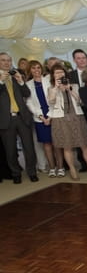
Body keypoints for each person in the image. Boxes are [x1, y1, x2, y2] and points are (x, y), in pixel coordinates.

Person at [47, 64, 87, 180]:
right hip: (61, 119)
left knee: (84, 144)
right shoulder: (51, 88)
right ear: (53, 76)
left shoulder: (74, 86)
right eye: (56, 73)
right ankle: (72, 169)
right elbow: (51, 101)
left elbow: (80, 101)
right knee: (67, 146)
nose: (60, 74)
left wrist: (69, 89)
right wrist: (56, 88)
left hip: (77, 117)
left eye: (61, 72)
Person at [0, 52, 38, 184]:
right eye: (3, 60)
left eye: (9, 60)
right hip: (5, 120)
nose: (6, 63)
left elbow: (27, 93)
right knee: (10, 150)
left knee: (29, 147)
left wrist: (21, 82)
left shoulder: (16, 75)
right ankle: (16, 174)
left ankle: (32, 172)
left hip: (22, 117)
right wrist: (0, 81)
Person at [26, 60, 65, 177]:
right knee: (47, 145)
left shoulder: (48, 80)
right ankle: (52, 168)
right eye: (33, 68)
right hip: (39, 118)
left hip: (53, 115)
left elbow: (55, 97)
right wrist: (40, 116)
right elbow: (29, 102)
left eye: (38, 67)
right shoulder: (28, 85)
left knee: (57, 144)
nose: (36, 70)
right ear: (30, 70)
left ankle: (61, 167)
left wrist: (50, 115)